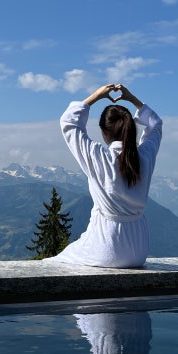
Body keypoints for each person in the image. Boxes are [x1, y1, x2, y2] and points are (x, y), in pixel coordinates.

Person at [44, 83, 162, 268]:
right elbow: (155, 124)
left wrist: (96, 95)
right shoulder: (145, 156)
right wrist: (132, 98)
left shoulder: (98, 157)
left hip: (106, 246)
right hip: (139, 249)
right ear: (130, 129)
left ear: (103, 132)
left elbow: (68, 122)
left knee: (53, 261)